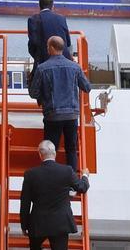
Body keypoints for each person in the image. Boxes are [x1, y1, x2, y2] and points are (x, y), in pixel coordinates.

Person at [28, 37, 90, 170]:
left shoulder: (42, 68)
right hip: (72, 115)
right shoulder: (75, 67)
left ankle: (51, 182)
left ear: (50, 48)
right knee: (71, 149)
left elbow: (34, 93)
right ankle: (72, 181)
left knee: (50, 150)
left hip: (52, 115)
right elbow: (87, 87)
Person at [19, 140, 90, 250]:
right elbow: (82, 187)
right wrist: (85, 175)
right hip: (60, 223)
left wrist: (24, 225)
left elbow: (25, 202)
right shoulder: (66, 171)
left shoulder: (30, 174)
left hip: (38, 222)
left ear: (40, 154)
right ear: (55, 153)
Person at [27, 0, 72, 67]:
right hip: (65, 61)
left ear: (39, 6)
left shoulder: (33, 19)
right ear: (52, 6)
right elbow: (68, 43)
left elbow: (33, 43)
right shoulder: (61, 18)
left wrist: (37, 58)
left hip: (43, 61)